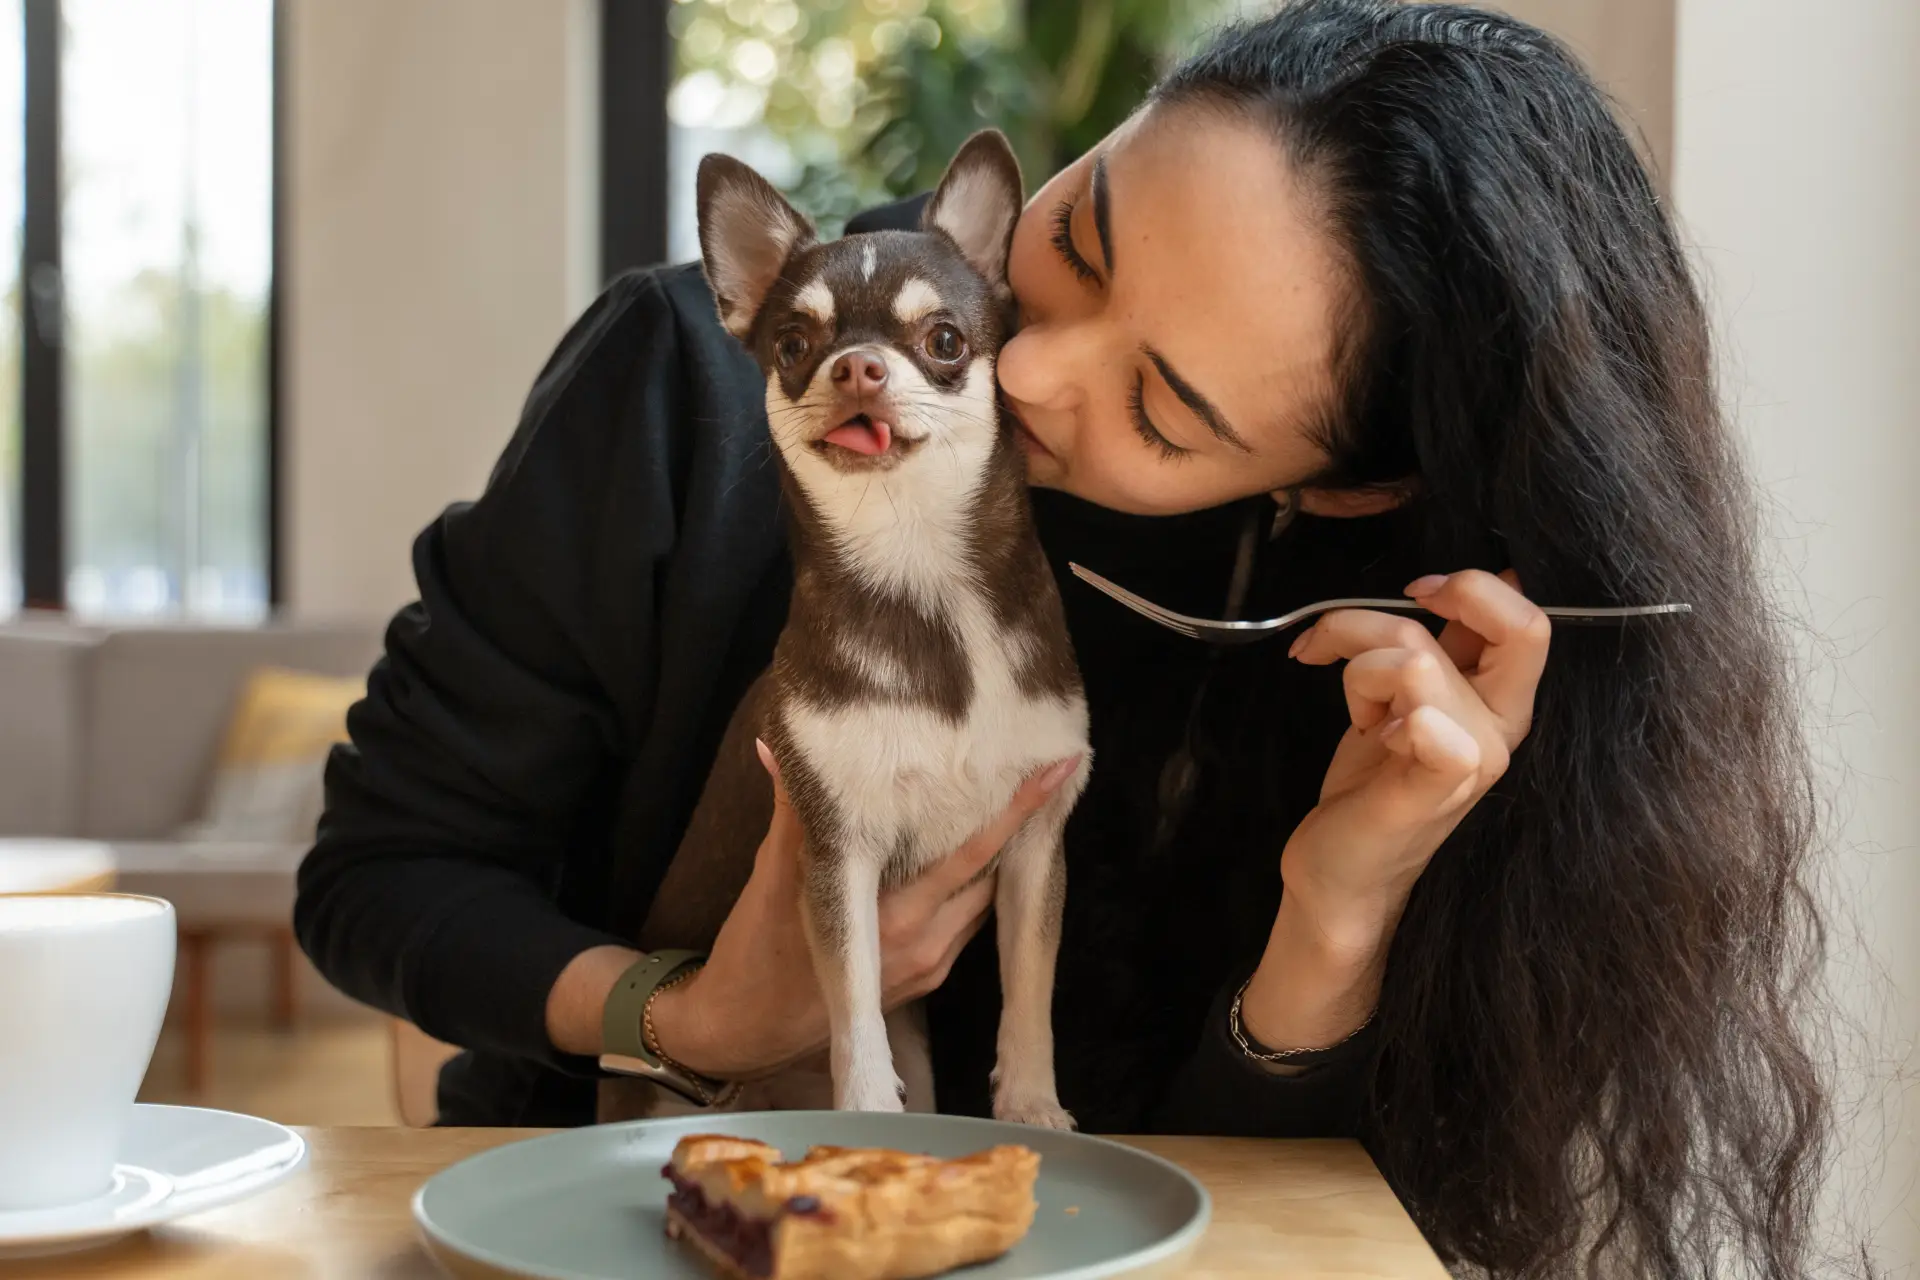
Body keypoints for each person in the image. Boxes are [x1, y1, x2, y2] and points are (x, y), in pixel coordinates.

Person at [295, 1, 1833, 1274]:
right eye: (1080, 238)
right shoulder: (688, 398)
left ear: (1347, 488)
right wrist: (688, 1012)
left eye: (1161, 411)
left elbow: (1250, 1219)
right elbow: (383, 878)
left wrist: (1338, 914)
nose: (1034, 376)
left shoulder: (1337, 653)